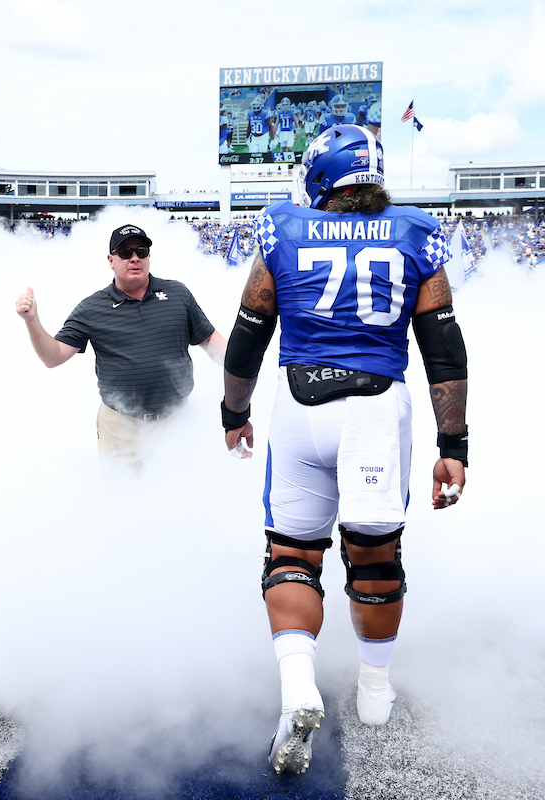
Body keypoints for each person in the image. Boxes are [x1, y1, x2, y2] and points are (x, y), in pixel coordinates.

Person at [219, 124, 468, 774]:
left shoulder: (283, 225)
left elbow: (249, 335)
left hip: (301, 406)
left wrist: (233, 412)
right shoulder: (414, 231)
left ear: (319, 177)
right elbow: (442, 346)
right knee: (376, 560)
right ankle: (375, 686)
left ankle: (298, 682)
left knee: (293, 554)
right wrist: (454, 443)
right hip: (378, 410)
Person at [15, 224, 226, 466]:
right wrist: (32, 321)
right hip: (122, 428)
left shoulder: (178, 294)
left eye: (141, 251)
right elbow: (53, 357)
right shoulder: (92, 308)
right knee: (124, 500)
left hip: (177, 419)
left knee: (186, 493)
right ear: (111, 260)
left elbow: (209, 339)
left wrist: (241, 361)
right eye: (125, 253)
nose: (134, 258)